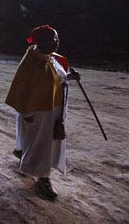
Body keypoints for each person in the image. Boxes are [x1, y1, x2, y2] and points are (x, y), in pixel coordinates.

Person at [5, 25, 80, 200]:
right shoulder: (31, 62)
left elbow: (56, 79)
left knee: (46, 145)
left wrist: (70, 77)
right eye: (54, 38)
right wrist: (26, 114)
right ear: (43, 41)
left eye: (57, 37)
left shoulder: (50, 58)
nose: (58, 41)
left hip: (52, 111)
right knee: (42, 147)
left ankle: (34, 164)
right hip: (38, 113)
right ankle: (43, 178)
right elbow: (22, 89)